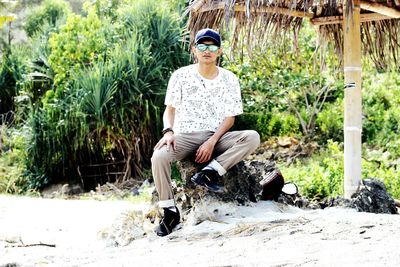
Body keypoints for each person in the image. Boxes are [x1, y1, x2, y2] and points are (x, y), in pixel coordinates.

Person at [151, 28, 260, 236]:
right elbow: (170, 111)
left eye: (211, 46)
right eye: (202, 46)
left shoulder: (230, 79)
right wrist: (168, 132)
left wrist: (212, 141)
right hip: (185, 136)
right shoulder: (180, 76)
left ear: (219, 51)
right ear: (194, 50)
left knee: (252, 137)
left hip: (217, 136)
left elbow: (230, 118)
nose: (206, 50)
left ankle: (210, 172)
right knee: (158, 157)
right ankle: (170, 211)